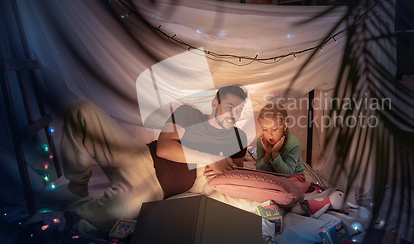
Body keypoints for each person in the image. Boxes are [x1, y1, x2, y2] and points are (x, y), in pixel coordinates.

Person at [61, 85, 248, 228]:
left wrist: (221, 173)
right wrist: (210, 159)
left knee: (115, 212)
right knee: (81, 111)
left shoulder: (239, 137)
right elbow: (164, 148)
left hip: (156, 186)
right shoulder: (189, 114)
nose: (234, 115)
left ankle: (69, 211)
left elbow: (235, 175)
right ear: (215, 103)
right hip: (138, 154)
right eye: (230, 107)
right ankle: (77, 185)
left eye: (239, 111)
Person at [255, 103, 305, 184]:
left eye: (274, 129)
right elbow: (259, 170)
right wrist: (268, 154)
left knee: (287, 184)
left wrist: (274, 153)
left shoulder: (294, 144)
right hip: (272, 174)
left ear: (285, 127)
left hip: (293, 175)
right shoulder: (262, 141)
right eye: (265, 129)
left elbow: (287, 173)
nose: (269, 134)